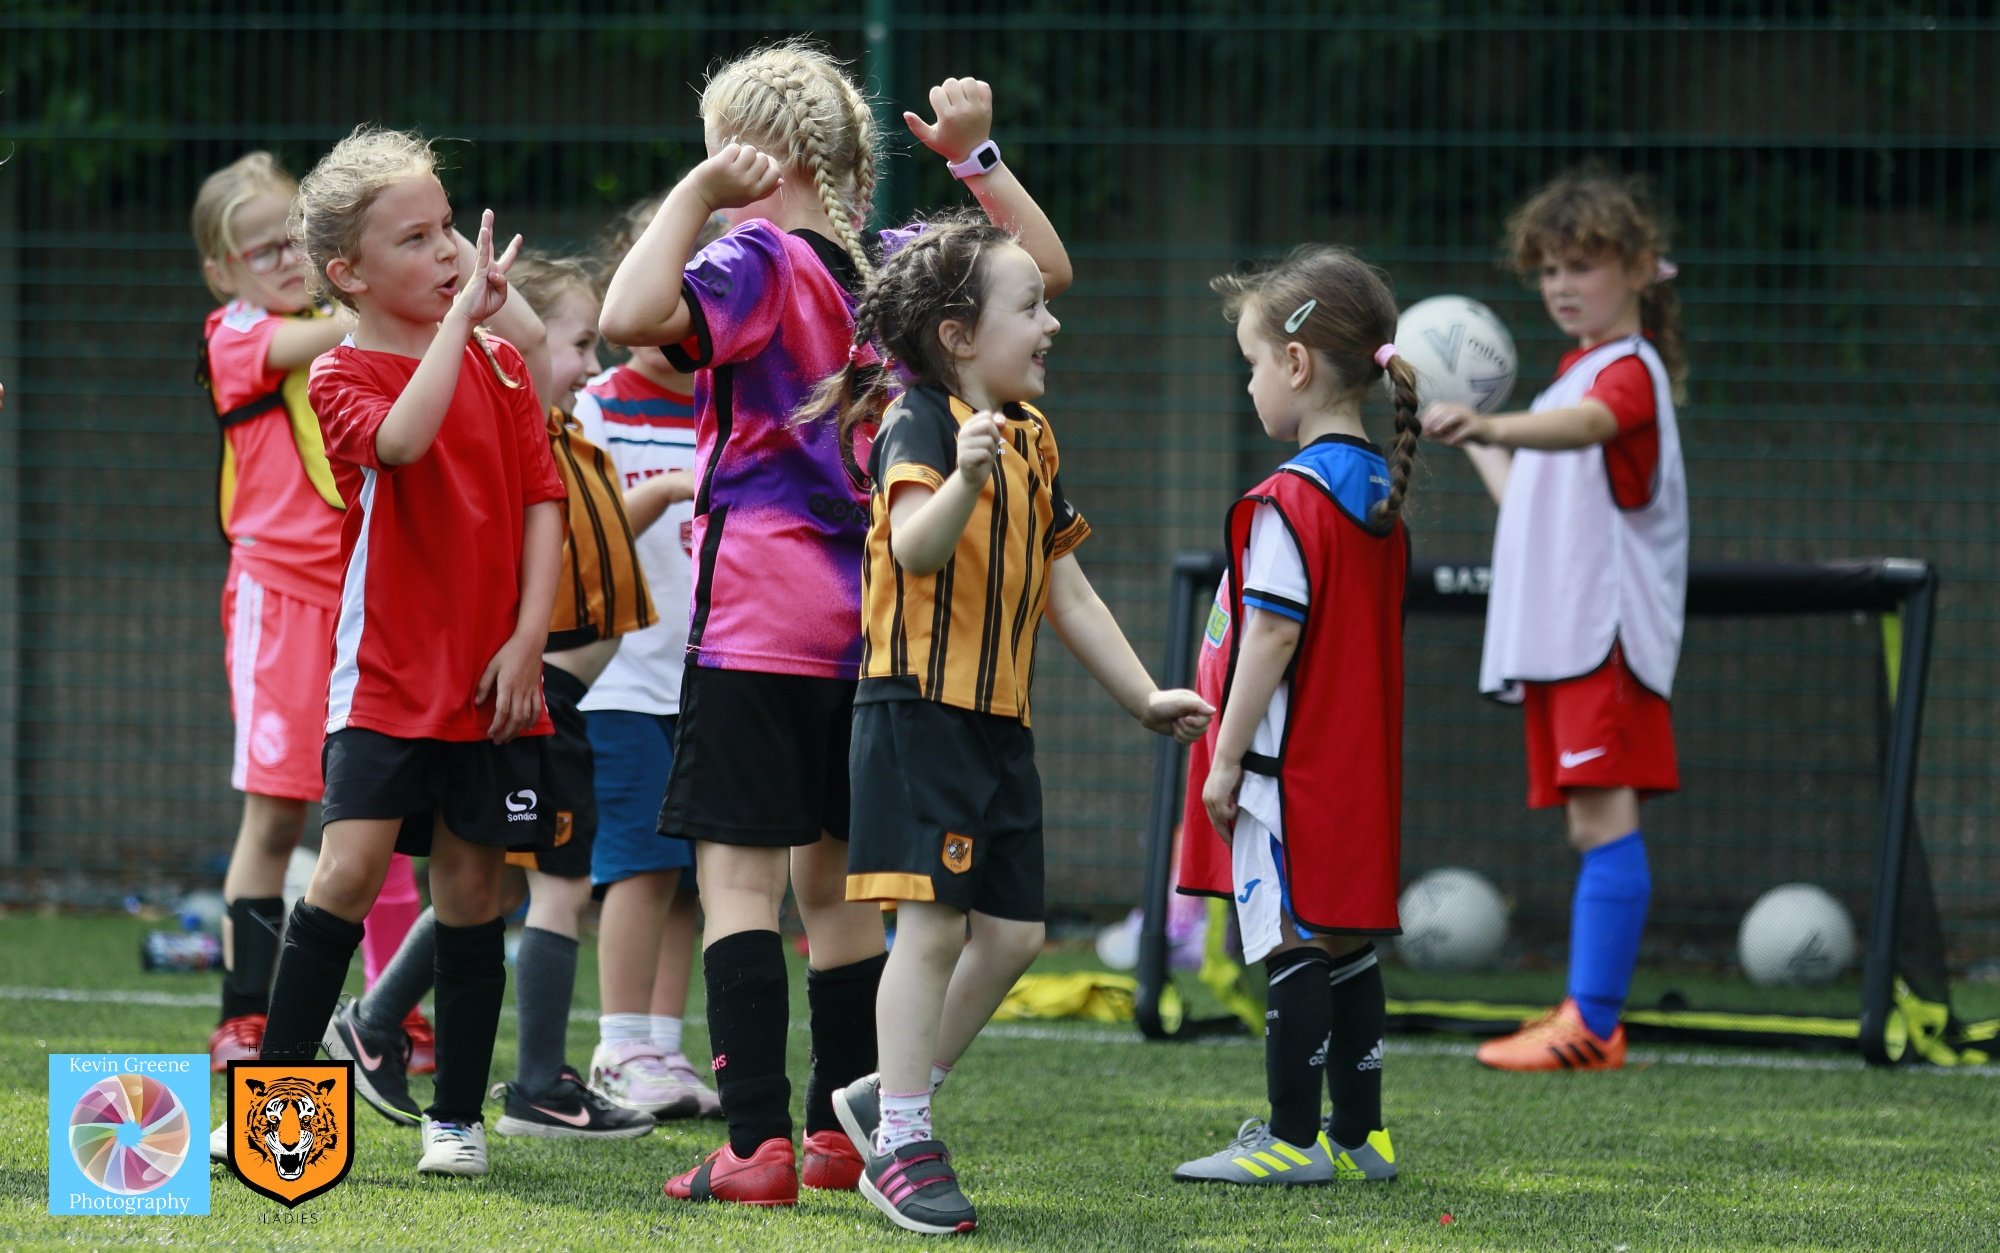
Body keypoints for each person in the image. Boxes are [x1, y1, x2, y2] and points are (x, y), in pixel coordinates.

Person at [599, 45, 1073, 1207]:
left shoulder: (754, 254)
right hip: (865, 629)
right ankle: (834, 1131)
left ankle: (754, 1142)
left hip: (756, 616)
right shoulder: (886, 273)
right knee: (839, 891)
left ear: (749, 155)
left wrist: (695, 197)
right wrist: (974, 163)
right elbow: (1044, 270)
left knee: (739, 887)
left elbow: (626, 316)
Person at [808, 216, 1209, 1234]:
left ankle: (885, 1099)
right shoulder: (919, 421)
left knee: (1016, 935)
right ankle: (900, 1134)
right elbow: (912, 546)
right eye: (1029, 306)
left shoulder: (1031, 435)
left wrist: (1142, 693)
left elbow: (1064, 587)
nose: (1052, 322)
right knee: (933, 926)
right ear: (957, 333)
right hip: (914, 712)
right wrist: (963, 478)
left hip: (996, 722)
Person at [250, 126, 565, 1179]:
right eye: (418, 239)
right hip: (384, 673)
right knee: (344, 869)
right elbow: (402, 441)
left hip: (493, 676)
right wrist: (460, 332)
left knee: (473, 890)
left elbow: (541, 502)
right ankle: (280, 1105)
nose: (448, 257)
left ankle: (457, 1117)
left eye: (449, 233)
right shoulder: (338, 374)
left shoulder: (508, 367)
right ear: (346, 273)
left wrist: (528, 639)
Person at [323, 253, 656, 1142]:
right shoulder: (489, 394)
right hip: (510, 686)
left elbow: (565, 529)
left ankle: (396, 1038)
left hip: (545, 691)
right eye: (576, 341)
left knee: (495, 888)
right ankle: (531, 1076)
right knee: (543, 885)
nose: (585, 361)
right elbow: (404, 449)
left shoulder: (558, 429)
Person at [1423, 169, 1688, 1072]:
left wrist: (1495, 428)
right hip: (1565, 637)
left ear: (1644, 269)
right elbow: (1529, 498)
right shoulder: (1572, 379)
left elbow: (1585, 429)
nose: (1563, 285)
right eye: (1547, 271)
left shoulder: (1626, 374)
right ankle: (1589, 1007)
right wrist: (1468, 435)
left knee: (1606, 822)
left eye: (1583, 264)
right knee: (1591, 824)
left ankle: (1595, 1024)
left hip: (1600, 638)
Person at [1169, 245, 1416, 1187]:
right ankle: (1362, 1136)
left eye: (1253, 363)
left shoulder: (1290, 499)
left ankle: (1290, 1137)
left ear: (1299, 366)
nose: (1251, 384)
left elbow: (1270, 638)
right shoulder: (1378, 495)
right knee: (1345, 939)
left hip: (1286, 769)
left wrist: (1226, 760)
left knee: (1289, 939)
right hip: (1352, 768)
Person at [189, 151, 430, 1074]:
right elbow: (306, 341)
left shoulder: (350, 339)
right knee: (278, 813)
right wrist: (370, 299)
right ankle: (244, 1015)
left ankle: (391, 1015)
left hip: (366, 599)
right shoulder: (240, 334)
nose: (283, 262)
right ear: (223, 272)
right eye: (260, 252)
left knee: (384, 811)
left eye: (295, 241)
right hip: (278, 598)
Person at [574, 199, 726, 1124]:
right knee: (636, 865)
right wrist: (665, 492)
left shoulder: (732, 403)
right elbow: (584, 544)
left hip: (712, 680)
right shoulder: (597, 409)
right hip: (624, 680)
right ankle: (618, 1044)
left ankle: (661, 1051)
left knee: (692, 879)